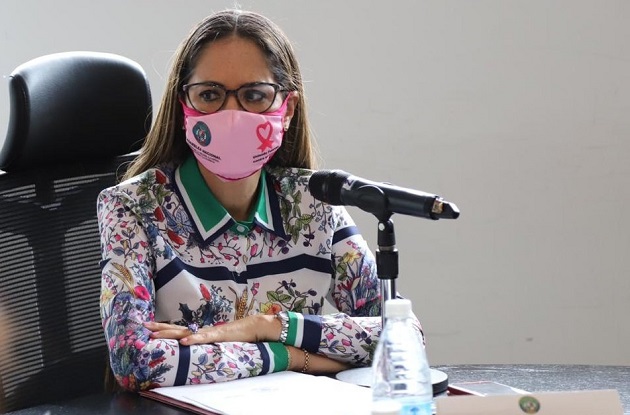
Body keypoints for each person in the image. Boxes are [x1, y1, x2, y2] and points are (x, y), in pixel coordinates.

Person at [98, 8, 417, 392]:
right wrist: (292, 357)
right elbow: (135, 362)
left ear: (287, 109)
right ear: (185, 105)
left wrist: (267, 326)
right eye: (210, 95)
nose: (231, 114)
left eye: (254, 96)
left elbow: (402, 338)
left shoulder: (314, 202)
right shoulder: (132, 206)